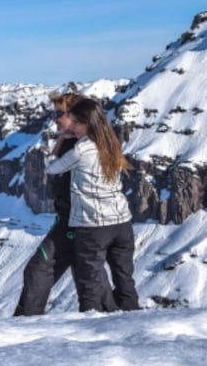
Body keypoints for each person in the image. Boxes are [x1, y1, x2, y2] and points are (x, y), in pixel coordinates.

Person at [45, 98, 140, 312]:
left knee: (90, 283)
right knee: (125, 280)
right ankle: (134, 322)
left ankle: (90, 332)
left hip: (93, 226)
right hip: (122, 224)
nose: (73, 128)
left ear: (85, 122)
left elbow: (52, 168)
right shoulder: (111, 143)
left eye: (75, 123)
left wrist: (62, 137)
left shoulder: (81, 150)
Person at [14, 91, 82, 316]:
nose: (54, 118)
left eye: (59, 113)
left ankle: (25, 325)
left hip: (73, 223)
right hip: (67, 219)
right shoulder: (70, 142)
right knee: (88, 280)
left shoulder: (83, 147)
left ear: (75, 115)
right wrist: (63, 138)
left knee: (38, 270)